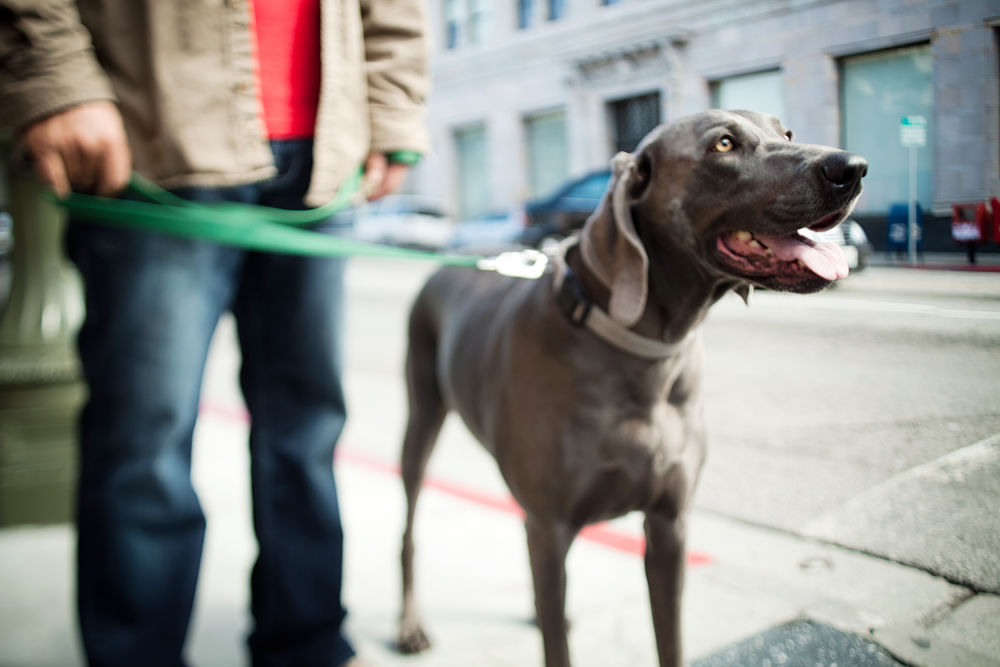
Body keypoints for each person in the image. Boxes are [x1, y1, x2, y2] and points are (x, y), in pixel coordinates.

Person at [0, 1, 430, 665]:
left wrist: (393, 105)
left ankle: (308, 644)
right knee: (143, 439)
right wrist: (52, 76)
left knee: (306, 430)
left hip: (321, 157)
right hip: (154, 139)